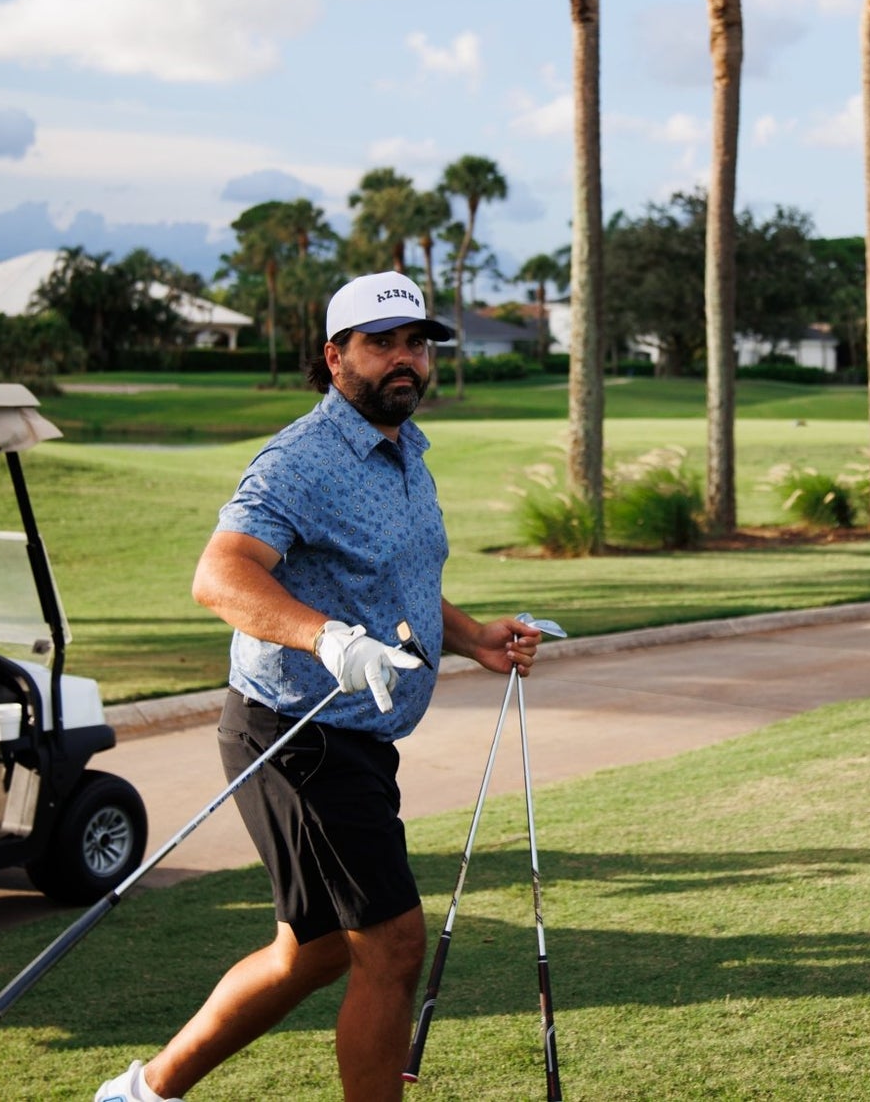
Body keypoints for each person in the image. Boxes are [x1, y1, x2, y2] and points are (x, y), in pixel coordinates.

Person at [98, 270, 544, 1102]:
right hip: (295, 732)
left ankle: (141, 1093)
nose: (404, 359)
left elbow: (395, 583)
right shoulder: (301, 458)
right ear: (334, 356)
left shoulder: (406, 451)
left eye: (417, 343)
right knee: (393, 942)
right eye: (382, 344)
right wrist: (327, 638)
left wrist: (473, 634)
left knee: (315, 948)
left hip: (354, 739)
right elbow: (219, 573)